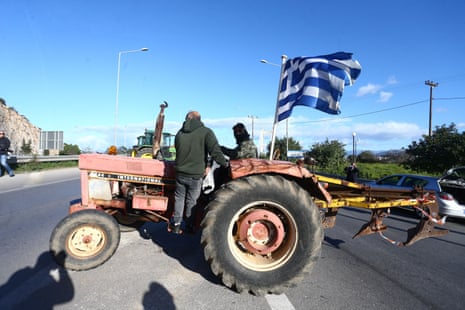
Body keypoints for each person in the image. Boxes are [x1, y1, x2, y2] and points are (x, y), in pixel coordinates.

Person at [169, 111, 228, 234]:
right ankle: (189, 226)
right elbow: (215, 151)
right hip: (195, 175)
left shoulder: (179, 133)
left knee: (179, 198)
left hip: (180, 172)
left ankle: (176, 224)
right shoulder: (206, 132)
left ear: (187, 119)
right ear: (199, 119)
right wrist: (225, 164)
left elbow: (178, 149)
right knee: (192, 201)